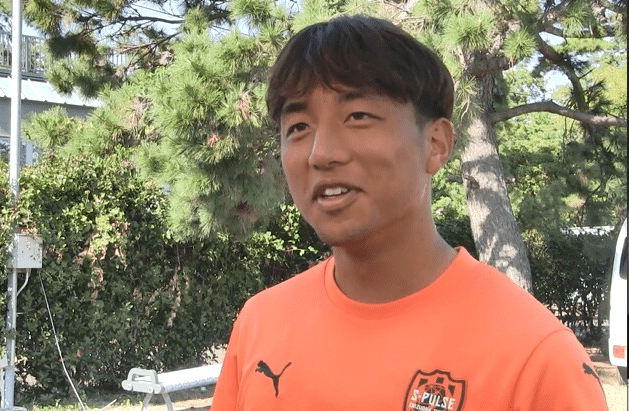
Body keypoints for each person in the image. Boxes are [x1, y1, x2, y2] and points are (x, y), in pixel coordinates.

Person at [211, 14, 607, 410]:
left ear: (436, 144)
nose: (322, 153)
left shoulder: (535, 359)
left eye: (358, 116)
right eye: (298, 127)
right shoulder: (260, 326)